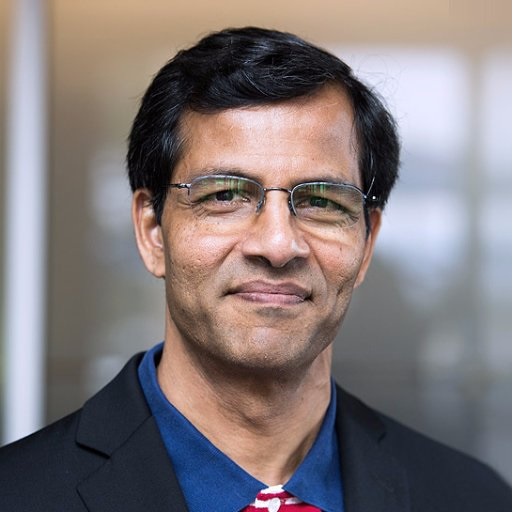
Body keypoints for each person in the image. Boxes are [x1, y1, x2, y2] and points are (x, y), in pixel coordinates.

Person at [0, 26, 509, 512]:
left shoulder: (474, 499)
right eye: (225, 195)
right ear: (152, 230)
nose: (278, 244)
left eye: (321, 201)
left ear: (367, 241)